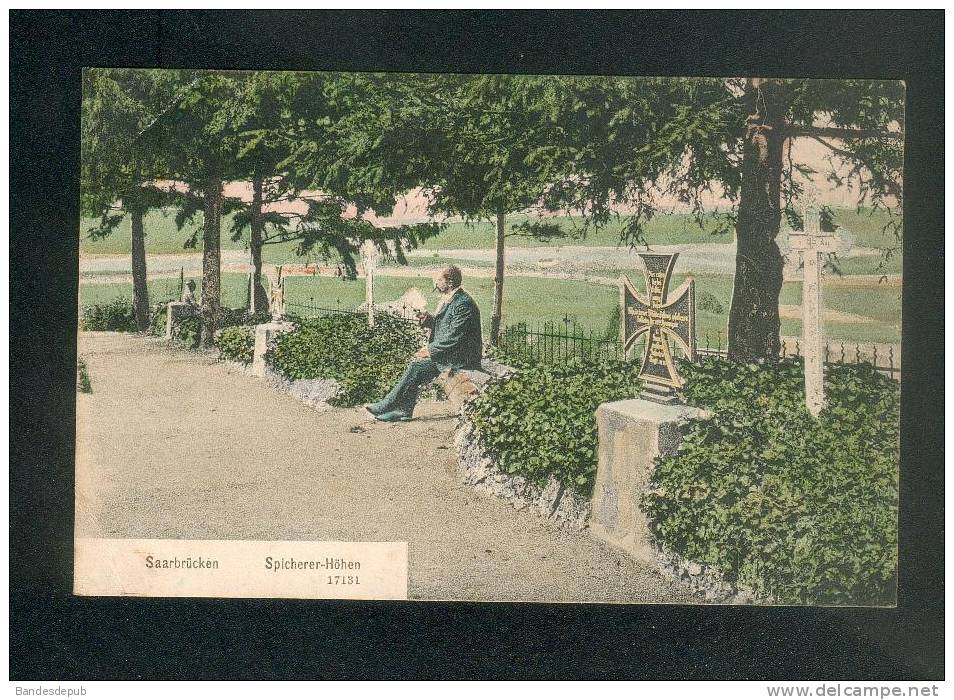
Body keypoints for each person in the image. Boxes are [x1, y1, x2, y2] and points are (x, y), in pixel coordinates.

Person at [364, 265, 482, 422]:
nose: (436, 283)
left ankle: (389, 406)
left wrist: (430, 350)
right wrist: (428, 320)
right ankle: (402, 410)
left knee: (417, 367)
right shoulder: (452, 298)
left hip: (462, 359)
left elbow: (455, 337)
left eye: (439, 279)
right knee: (417, 367)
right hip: (452, 355)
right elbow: (447, 327)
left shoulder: (463, 303)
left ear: (450, 282)